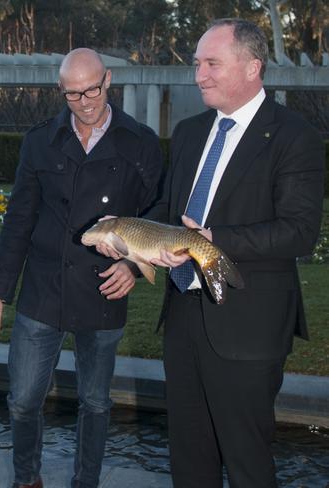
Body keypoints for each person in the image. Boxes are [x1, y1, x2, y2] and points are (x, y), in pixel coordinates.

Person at [124, 18, 323, 488]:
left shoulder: (294, 136)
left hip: (248, 323)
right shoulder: (192, 132)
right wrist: (132, 238)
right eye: (197, 64)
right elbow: (169, 209)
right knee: (189, 462)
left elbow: (299, 232)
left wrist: (214, 241)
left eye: (212, 63)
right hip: (183, 319)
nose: (200, 75)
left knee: (247, 462)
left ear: (254, 66)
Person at [0, 48, 163, 488]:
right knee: (21, 400)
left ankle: (86, 482)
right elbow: (19, 219)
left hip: (105, 289)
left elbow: (156, 215)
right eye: (73, 94)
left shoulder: (141, 141)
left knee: (95, 403)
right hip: (44, 289)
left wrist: (134, 269)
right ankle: (27, 480)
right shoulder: (40, 140)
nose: (86, 101)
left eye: (92, 89)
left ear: (108, 80)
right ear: (62, 92)